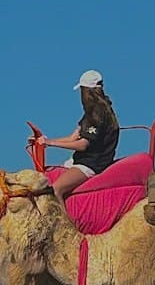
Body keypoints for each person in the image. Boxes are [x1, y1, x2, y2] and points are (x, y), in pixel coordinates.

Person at [35, 69, 120, 202]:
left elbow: (82, 145)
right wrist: (46, 141)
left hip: (90, 164)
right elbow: (72, 138)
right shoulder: (95, 112)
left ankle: (64, 223)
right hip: (83, 161)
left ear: (85, 91)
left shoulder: (96, 114)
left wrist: (51, 143)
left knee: (55, 190)